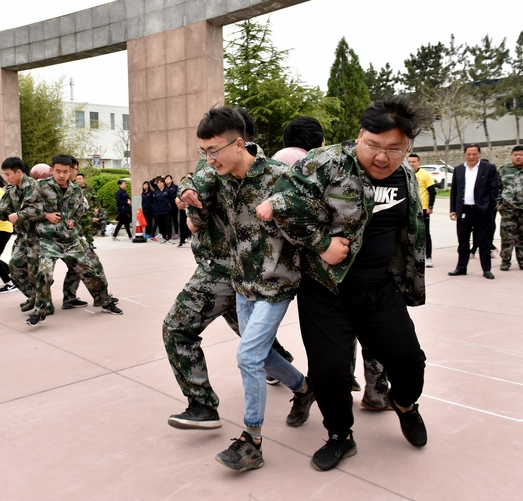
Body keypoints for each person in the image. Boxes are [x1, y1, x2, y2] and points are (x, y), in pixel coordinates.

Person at [258, 96, 430, 472]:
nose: (381, 157)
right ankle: (340, 435)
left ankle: (405, 405)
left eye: (393, 148)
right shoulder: (325, 163)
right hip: (326, 291)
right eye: (373, 145)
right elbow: (281, 205)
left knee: (409, 361)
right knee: (329, 372)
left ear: (407, 147)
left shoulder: (405, 176)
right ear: (359, 136)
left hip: (379, 289)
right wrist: (321, 243)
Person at [182, 106, 311, 473]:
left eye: (214, 151)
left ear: (238, 144)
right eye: (204, 151)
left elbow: (309, 214)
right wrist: (188, 196)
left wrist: (280, 206)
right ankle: (304, 388)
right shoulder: (217, 176)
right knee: (264, 355)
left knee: (248, 357)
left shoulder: (279, 176)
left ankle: (251, 441)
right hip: (243, 283)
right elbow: (194, 194)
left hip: (276, 283)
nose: (209, 159)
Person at [21, 154, 122, 324]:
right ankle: (40, 311)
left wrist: (73, 220)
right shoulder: (40, 186)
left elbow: (80, 209)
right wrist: (46, 215)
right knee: (44, 273)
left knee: (90, 272)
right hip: (49, 241)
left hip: (71, 240)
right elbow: (26, 210)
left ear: (70, 171)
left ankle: (105, 302)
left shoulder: (76, 189)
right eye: (58, 171)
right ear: (52, 170)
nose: (61, 175)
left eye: (65, 172)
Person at [0, 158, 41, 312]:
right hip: (23, 236)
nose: (6, 178)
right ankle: (34, 297)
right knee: (15, 267)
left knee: (34, 272)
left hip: (39, 237)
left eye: (8, 174)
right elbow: (4, 209)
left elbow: (38, 209)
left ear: (19, 172)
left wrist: (18, 215)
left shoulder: (34, 186)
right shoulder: (12, 190)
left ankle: (42, 303)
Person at [448, 144, 499, 279]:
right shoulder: (459, 169)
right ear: (464, 154)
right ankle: (461, 268)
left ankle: (486, 269)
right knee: (463, 241)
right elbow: (454, 191)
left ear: (479, 154)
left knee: (484, 241)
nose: (471, 157)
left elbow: (494, 189)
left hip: (482, 211)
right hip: (464, 211)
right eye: (468, 154)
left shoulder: (489, 168)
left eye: (474, 154)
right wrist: (453, 209)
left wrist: (490, 206)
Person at [407, 154, 436, 268]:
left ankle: (428, 257)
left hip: (422, 209)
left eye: (414, 162)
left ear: (418, 162)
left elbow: (432, 191)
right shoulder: (405, 173)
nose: (411, 164)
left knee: (424, 233)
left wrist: (430, 206)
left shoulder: (425, 174)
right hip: (409, 208)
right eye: (409, 162)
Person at [75, 173, 99, 248]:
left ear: (84, 179)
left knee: (88, 229)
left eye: (80, 179)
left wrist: (96, 207)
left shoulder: (90, 189)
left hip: (87, 213)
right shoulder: (74, 189)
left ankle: (90, 243)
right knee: (78, 230)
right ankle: (78, 244)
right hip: (77, 214)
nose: (78, 180)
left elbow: (95, 199)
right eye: (77, 179)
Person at [153, 178, 173, 243]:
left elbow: (172, 199)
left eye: (160, 183)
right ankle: (164, 238)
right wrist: (156, 209)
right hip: (159, 211)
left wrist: (171, 207)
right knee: (161, 225)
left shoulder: (168, 190)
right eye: (158, 183)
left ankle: (169, 238)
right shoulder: (156, 192)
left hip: (167, 210)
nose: (159, 184)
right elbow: (155, 202)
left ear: (163, 183)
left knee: (168, 224)